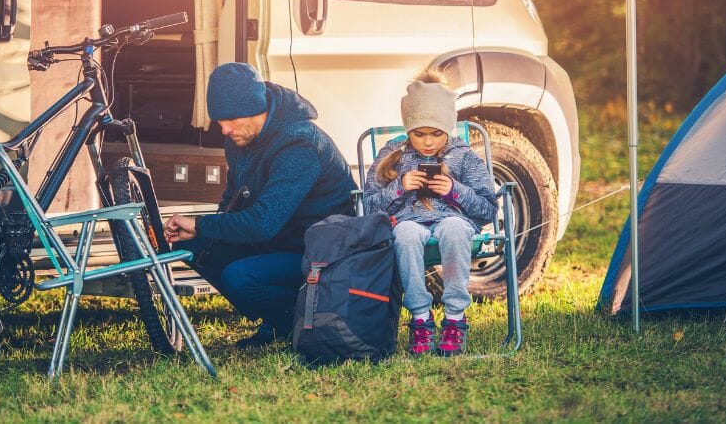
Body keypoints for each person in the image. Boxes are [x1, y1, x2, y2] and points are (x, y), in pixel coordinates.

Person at [164, 62, 356, 348]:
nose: (224, 129)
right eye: (219, 120)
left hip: (319, 252)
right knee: (193, 247)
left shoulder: (300, 145)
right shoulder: (240, 138)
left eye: (231, 119)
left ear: (258, 108)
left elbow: (263, 222)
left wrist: (200, 224)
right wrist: (202, 232)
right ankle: (279, 319)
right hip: (281, 240)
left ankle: (302, 318)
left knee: (240, 276)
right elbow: (232, 200)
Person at [362, 72, 496, 357]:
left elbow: (488, 209)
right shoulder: (393, 154)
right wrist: (399, 188)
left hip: (455, 223)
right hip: (409, 223)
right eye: (419, 134)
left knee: (454, 228)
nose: (427, 142)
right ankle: (421, 318)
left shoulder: (463, 156)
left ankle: (455, 318)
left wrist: (453, 190)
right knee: (406, 234)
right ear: (408, 129)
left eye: (436, 133)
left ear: (448, 128)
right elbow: (370, 206)